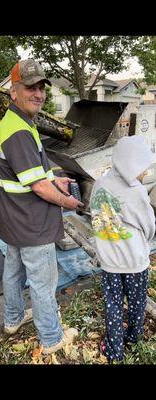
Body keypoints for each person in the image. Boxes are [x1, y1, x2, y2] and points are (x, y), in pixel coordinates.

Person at [0, 59, 83, 355]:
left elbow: (30, 173)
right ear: (13, 92)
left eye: (41, 87)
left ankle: (13, 318)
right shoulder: (19, 130)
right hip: (32, 223)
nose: (38, 93)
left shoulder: (17, 121)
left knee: (13, 272)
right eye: (30, 87)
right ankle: (51, 338)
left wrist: (54, 178)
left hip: (13, 219)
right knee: (43, 282)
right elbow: (38, 187)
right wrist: (68, 201)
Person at [90, 135, 155, 363]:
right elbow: (149, 226)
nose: (145, 173)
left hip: (110, 263)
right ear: (130, 165)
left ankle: (114, 350)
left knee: (114, 306)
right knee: (137, 304)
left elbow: (95, 220)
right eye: (142, 167)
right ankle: (134, 337)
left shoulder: (100, 185)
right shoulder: (136, 192)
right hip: (135, 262)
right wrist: (143, 242)